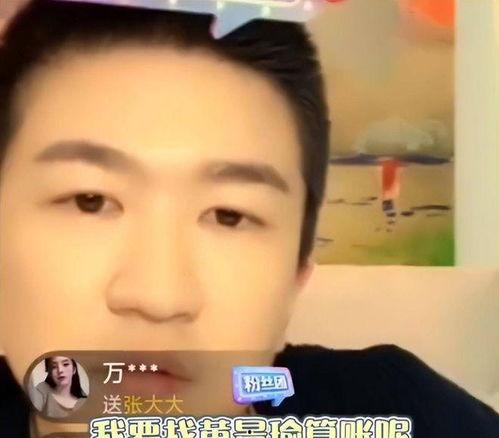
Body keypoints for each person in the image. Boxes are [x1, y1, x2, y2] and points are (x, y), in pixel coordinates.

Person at [0, 0, 496, 437]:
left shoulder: (396, 413)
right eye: (90, 200)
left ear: (295, 278)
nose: (159, 296)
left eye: (229, 215)